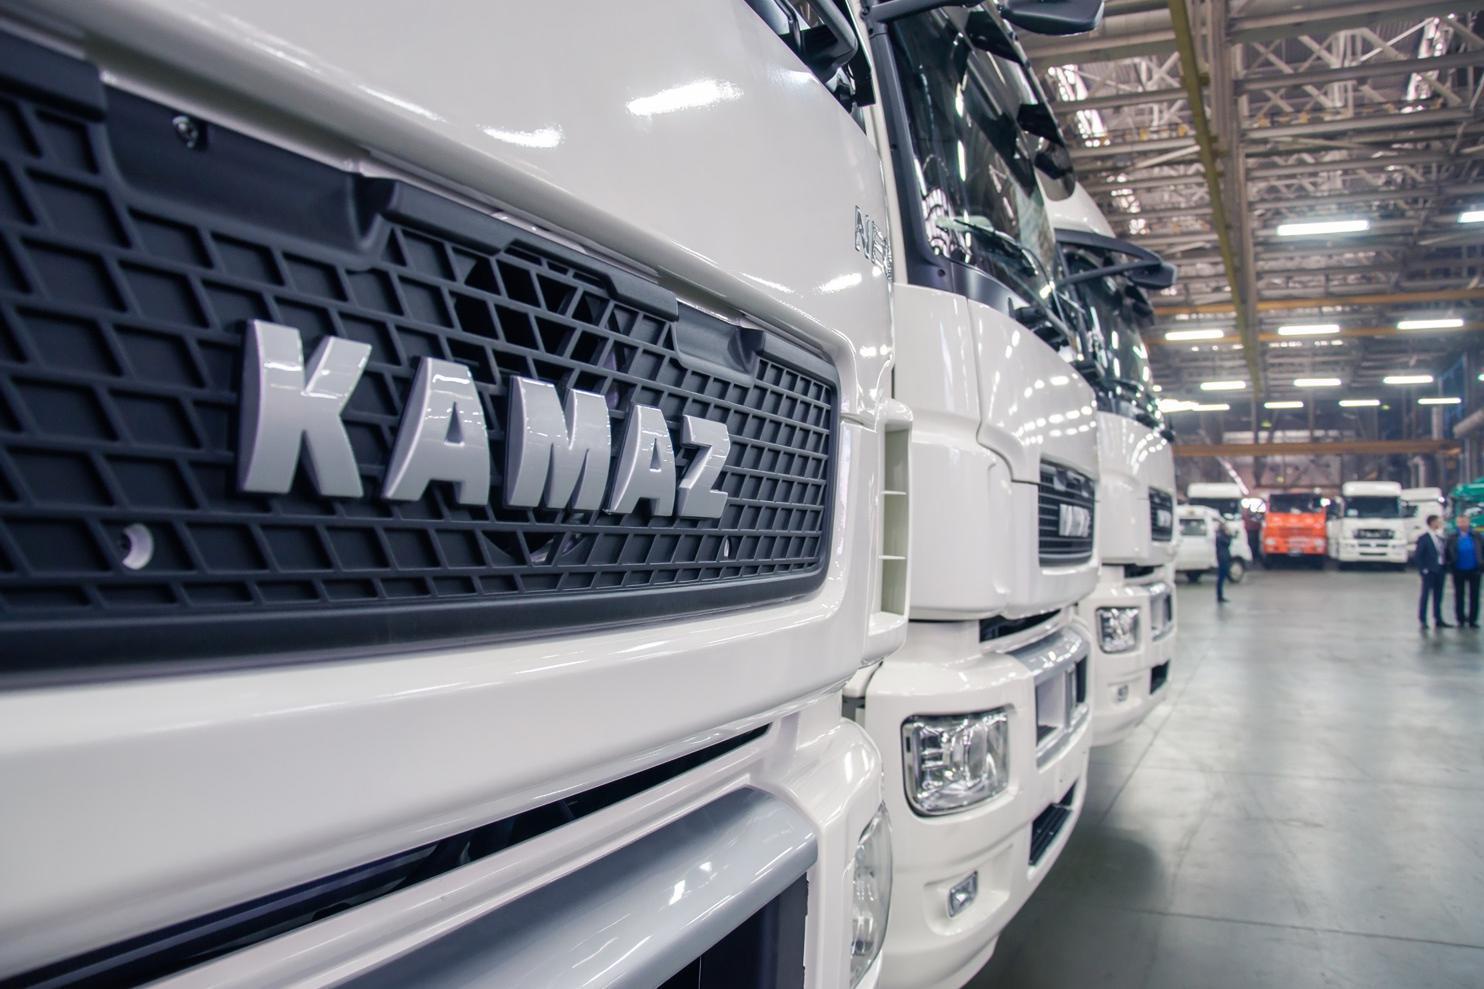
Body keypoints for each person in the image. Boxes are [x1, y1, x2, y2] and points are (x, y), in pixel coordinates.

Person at [1445, 515, 1483, 628]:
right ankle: (1460, 619)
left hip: (1475, 570)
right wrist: (1450, 564)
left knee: (1474, 596)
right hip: (1458, 570)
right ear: (1457, 524)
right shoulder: (1452, 537)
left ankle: (1473, 620)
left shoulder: (1477, 536)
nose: (1462, 524)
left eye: (1464, 522)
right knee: (1459, 595)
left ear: (1469, 522)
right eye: (1460, 522)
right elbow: (1447, 551)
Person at [1415, 514, 1450, 628]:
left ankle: (1438, 618)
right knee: (1425, 595)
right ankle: (1423, 619)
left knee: (1438, 595)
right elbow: (1418, 555)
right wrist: (1423, 569)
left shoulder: (1441, 537)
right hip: (1429, 571)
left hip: (1440, 569)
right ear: (1432, 523)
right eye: (1438, 521)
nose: (1440, 523)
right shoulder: (1424, 538)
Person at [1215, 523, 1232, 604]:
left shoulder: (1219, 535)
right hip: (1223, 558)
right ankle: (1219, 596)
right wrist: (1229, 535)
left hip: (1222, 557)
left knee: (1221, 578)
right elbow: (1228, 543)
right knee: (1221, 578)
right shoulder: (1220, 536)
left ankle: (1220, 596)